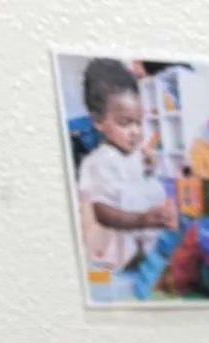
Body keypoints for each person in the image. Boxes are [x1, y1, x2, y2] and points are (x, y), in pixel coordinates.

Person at [76, 58, 176, 276]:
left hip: (135, 252)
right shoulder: (97, 163)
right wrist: (142, 219)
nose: (136, 131)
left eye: (139, 122)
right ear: (99, 122)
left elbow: (137, 184)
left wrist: (149, 168)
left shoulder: (134, 152)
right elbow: (103, 213)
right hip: (111, 261)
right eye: (125, 123)